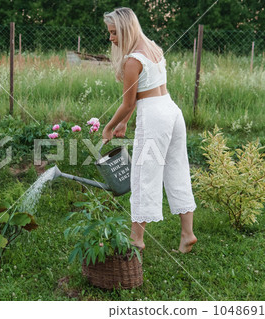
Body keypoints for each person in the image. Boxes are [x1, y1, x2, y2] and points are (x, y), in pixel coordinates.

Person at [101, 7, 197, 253]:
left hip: (154, 117)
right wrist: (124, 123)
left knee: (144, 176)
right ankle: (187, 234)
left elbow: (128, 102)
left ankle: (136, 240)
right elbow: (147, 88)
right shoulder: (153, 48)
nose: (110, 38)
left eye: (114, 33)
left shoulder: (133, 60)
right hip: (172, 111)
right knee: (177, 169)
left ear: (125, 30)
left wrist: (109, 127)